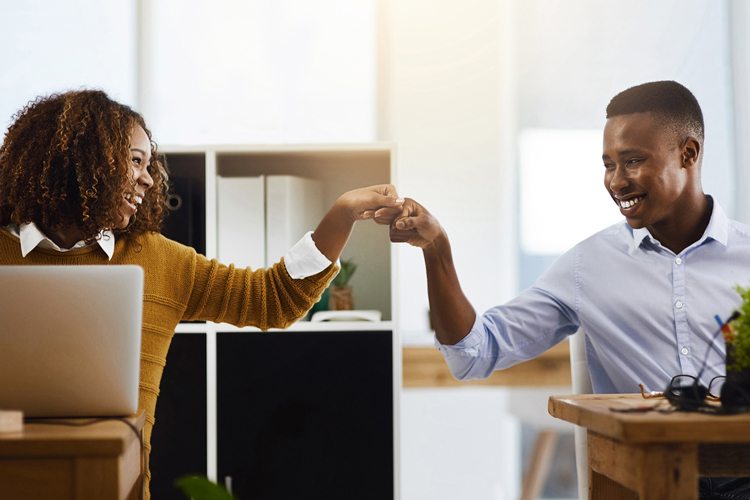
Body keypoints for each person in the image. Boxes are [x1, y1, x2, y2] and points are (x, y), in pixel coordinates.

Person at [0, 89, 403, 498]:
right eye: (135, 161)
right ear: (82, 160)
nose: (148, 178)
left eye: (148, 164)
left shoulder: (159, 260)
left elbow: (272, 299)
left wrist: (342, 213)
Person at [390, 80, 750, 499]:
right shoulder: (588, 265)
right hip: (645, 481)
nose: (616, 181)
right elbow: (475, 353)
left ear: (688, 153)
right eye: (608, 164)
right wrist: (437, 250)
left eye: (632, 161)